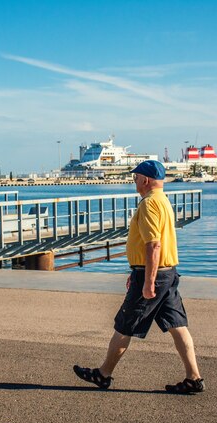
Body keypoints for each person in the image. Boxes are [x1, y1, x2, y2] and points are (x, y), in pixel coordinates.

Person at [73, 160, 205, 394]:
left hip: (153, 274)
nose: (133, 181)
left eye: (135, 177)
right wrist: (137, 271)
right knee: (178, 326)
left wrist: (147, 281)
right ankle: (193, 377)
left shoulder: (149, 205)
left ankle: (103, 374)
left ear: (145, 180)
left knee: (125, 325)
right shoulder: (163, 201)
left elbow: (153, 245)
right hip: (168, 273)